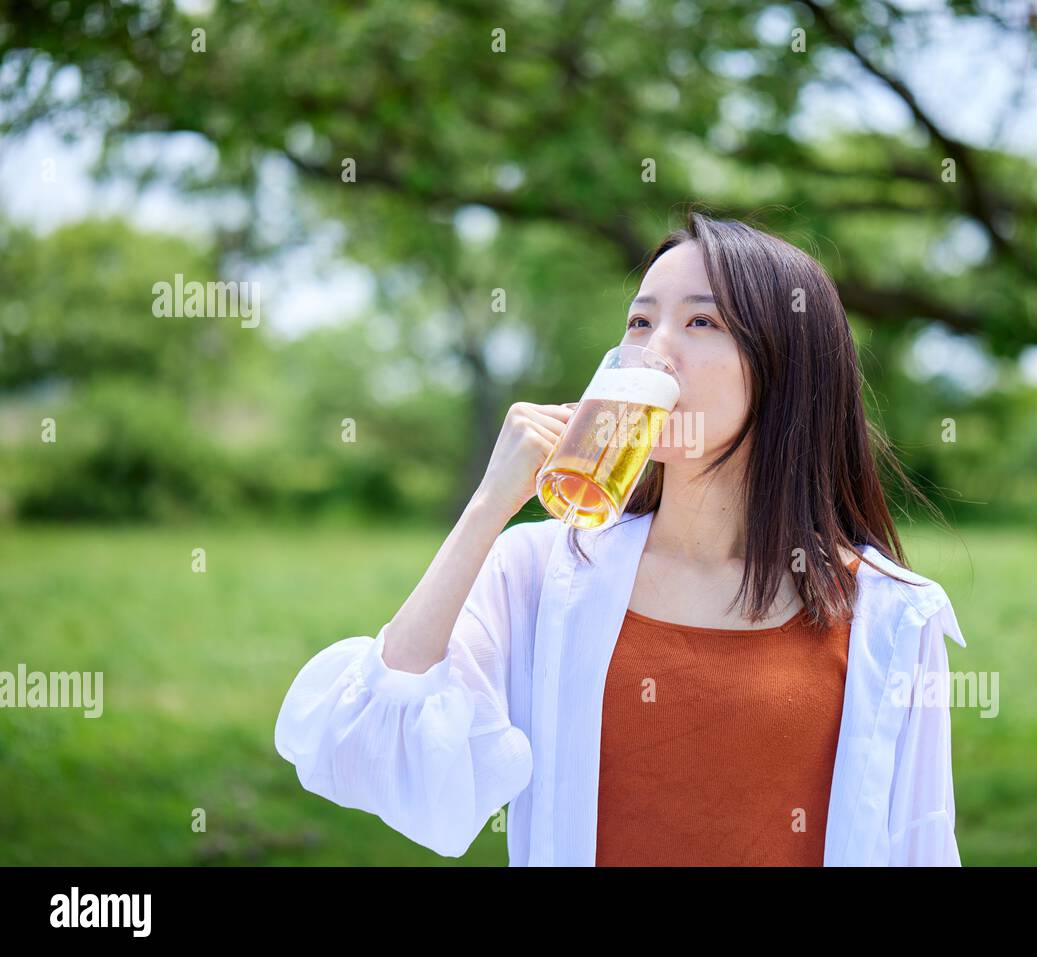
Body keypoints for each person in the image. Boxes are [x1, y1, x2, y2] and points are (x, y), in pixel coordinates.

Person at [274, 208, 969, 866]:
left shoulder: (891, 616)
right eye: (640, 322)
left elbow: (920, 845)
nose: (653, 350)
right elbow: (367, 740)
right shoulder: (544, 571)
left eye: (702, 321)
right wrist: (489, 506)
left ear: (788, 365)